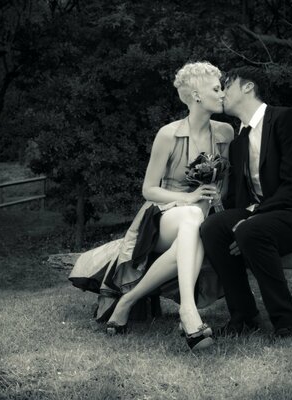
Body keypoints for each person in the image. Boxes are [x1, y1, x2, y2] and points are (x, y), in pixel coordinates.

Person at [68, 61, 233, 350]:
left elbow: (225, 184)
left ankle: (128, 301)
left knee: (193, 228)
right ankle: (189, 310)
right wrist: (188, 198)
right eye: (216, 89)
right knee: (192, 216)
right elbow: (149, 190)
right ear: (196, 95)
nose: (223, 94)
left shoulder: (225, 133)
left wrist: (218, 194)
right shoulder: (168, 134)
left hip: (201, 219)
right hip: (162, 216)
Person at [200, 66, 292, 338]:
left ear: (248, 87)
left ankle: (287, 324)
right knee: (213, 227)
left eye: (227, 85)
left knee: (250, 229)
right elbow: (240, 199)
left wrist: (253, 216)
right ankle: (244, 317)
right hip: (262, 220)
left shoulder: (286, 119)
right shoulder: (239, 141)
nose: (221, 92)